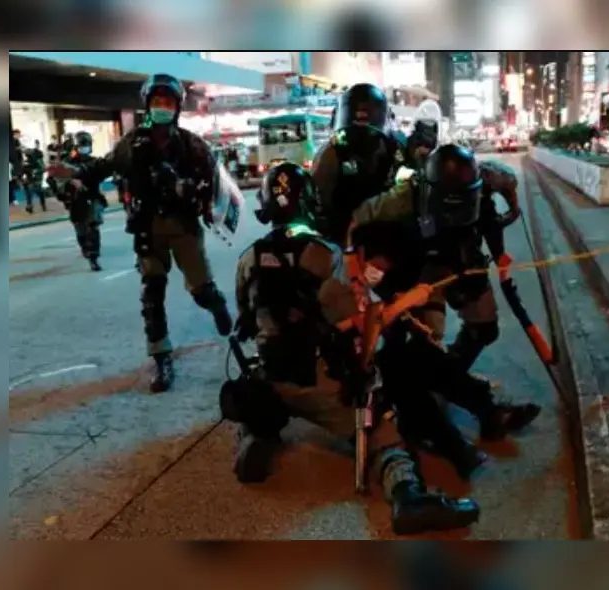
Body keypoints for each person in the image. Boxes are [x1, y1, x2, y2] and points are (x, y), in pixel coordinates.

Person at [226, 162, 481, 535]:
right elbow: (361, 324)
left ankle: (255, 434)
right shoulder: (325, 255)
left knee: (258, 394)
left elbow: (246, 319)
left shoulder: (248, 259)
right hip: (321, 383)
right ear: (311, 202)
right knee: (385, 435)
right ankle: (408, 496)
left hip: (272, 378)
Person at [48, 73, 236, 393]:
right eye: (156, 102)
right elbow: (102, 167)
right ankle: (161, 356)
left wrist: (183, 187)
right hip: (148, 228)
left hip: (183, 227)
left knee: (201, 289)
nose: (162, 107)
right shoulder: (132, 144)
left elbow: (214, 185)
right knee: (152, 294)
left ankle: (218, 306)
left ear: (177, 106)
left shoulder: (191, 145)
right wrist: (75, 174)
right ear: (147, 105)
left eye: (168, 102)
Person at [347, 144, 540, 440]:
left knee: (485, 327)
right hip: (419, 264)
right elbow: (356, 221)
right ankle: (443, 386)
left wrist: (512, 208)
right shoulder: (401, 198)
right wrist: (356, 271)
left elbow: (510, 184)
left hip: (462, 257)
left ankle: (444, 379)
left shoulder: (488, 177)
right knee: (424, 344)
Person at [309, 83, 405, 246]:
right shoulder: (331, 153)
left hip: (388, 237)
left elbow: (409, 194)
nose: (362, 137)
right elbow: (317, 199)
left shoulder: (395, 150)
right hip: (343, 237)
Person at [62, 131, 107, 271]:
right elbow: (54, 179)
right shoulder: (67, 162)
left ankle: (93, 257)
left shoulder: (94, 161)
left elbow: (103, 173)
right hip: (75, 201)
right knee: (80, 228)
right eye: (82, 145)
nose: (84, 148)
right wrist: (70, 182)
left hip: (92, 197)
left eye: (87, 145)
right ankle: (85, 248)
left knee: (93, 225)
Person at [23, 139, 47, 213]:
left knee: (39, 192)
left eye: (28, 154)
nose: (27, 156)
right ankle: (29, 205)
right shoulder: (25, 162)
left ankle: (42, 204)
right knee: (28, 192)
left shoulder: (38, 161)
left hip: (37, 179)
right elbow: (23, 171)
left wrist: (36, 171)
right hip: (29, 179)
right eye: (27, 155)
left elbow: (44, 169)